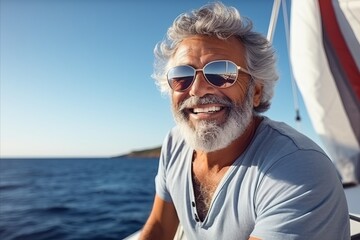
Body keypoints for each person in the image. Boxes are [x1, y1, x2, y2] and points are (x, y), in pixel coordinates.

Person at [140, 2, 350, 240]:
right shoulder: (175, 143)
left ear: (256, 91)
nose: (197, 90)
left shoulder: (298, 168)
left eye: (221, 73)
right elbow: (158, 228)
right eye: (182, 76)